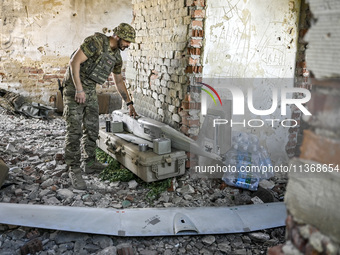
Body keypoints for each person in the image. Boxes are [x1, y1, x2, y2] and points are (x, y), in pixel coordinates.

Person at [62, 23, 137, 190]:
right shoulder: (96, 42)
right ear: (117, 36)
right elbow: (74, 62)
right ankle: (74, 169)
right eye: (127, 41)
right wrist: (79, 89)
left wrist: (129, 103)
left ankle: (89, 163)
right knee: (74, 130)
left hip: (88, 89)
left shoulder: (116, 57)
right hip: (74, 86)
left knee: (92, 127)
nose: (128, 45)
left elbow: (118, 81)